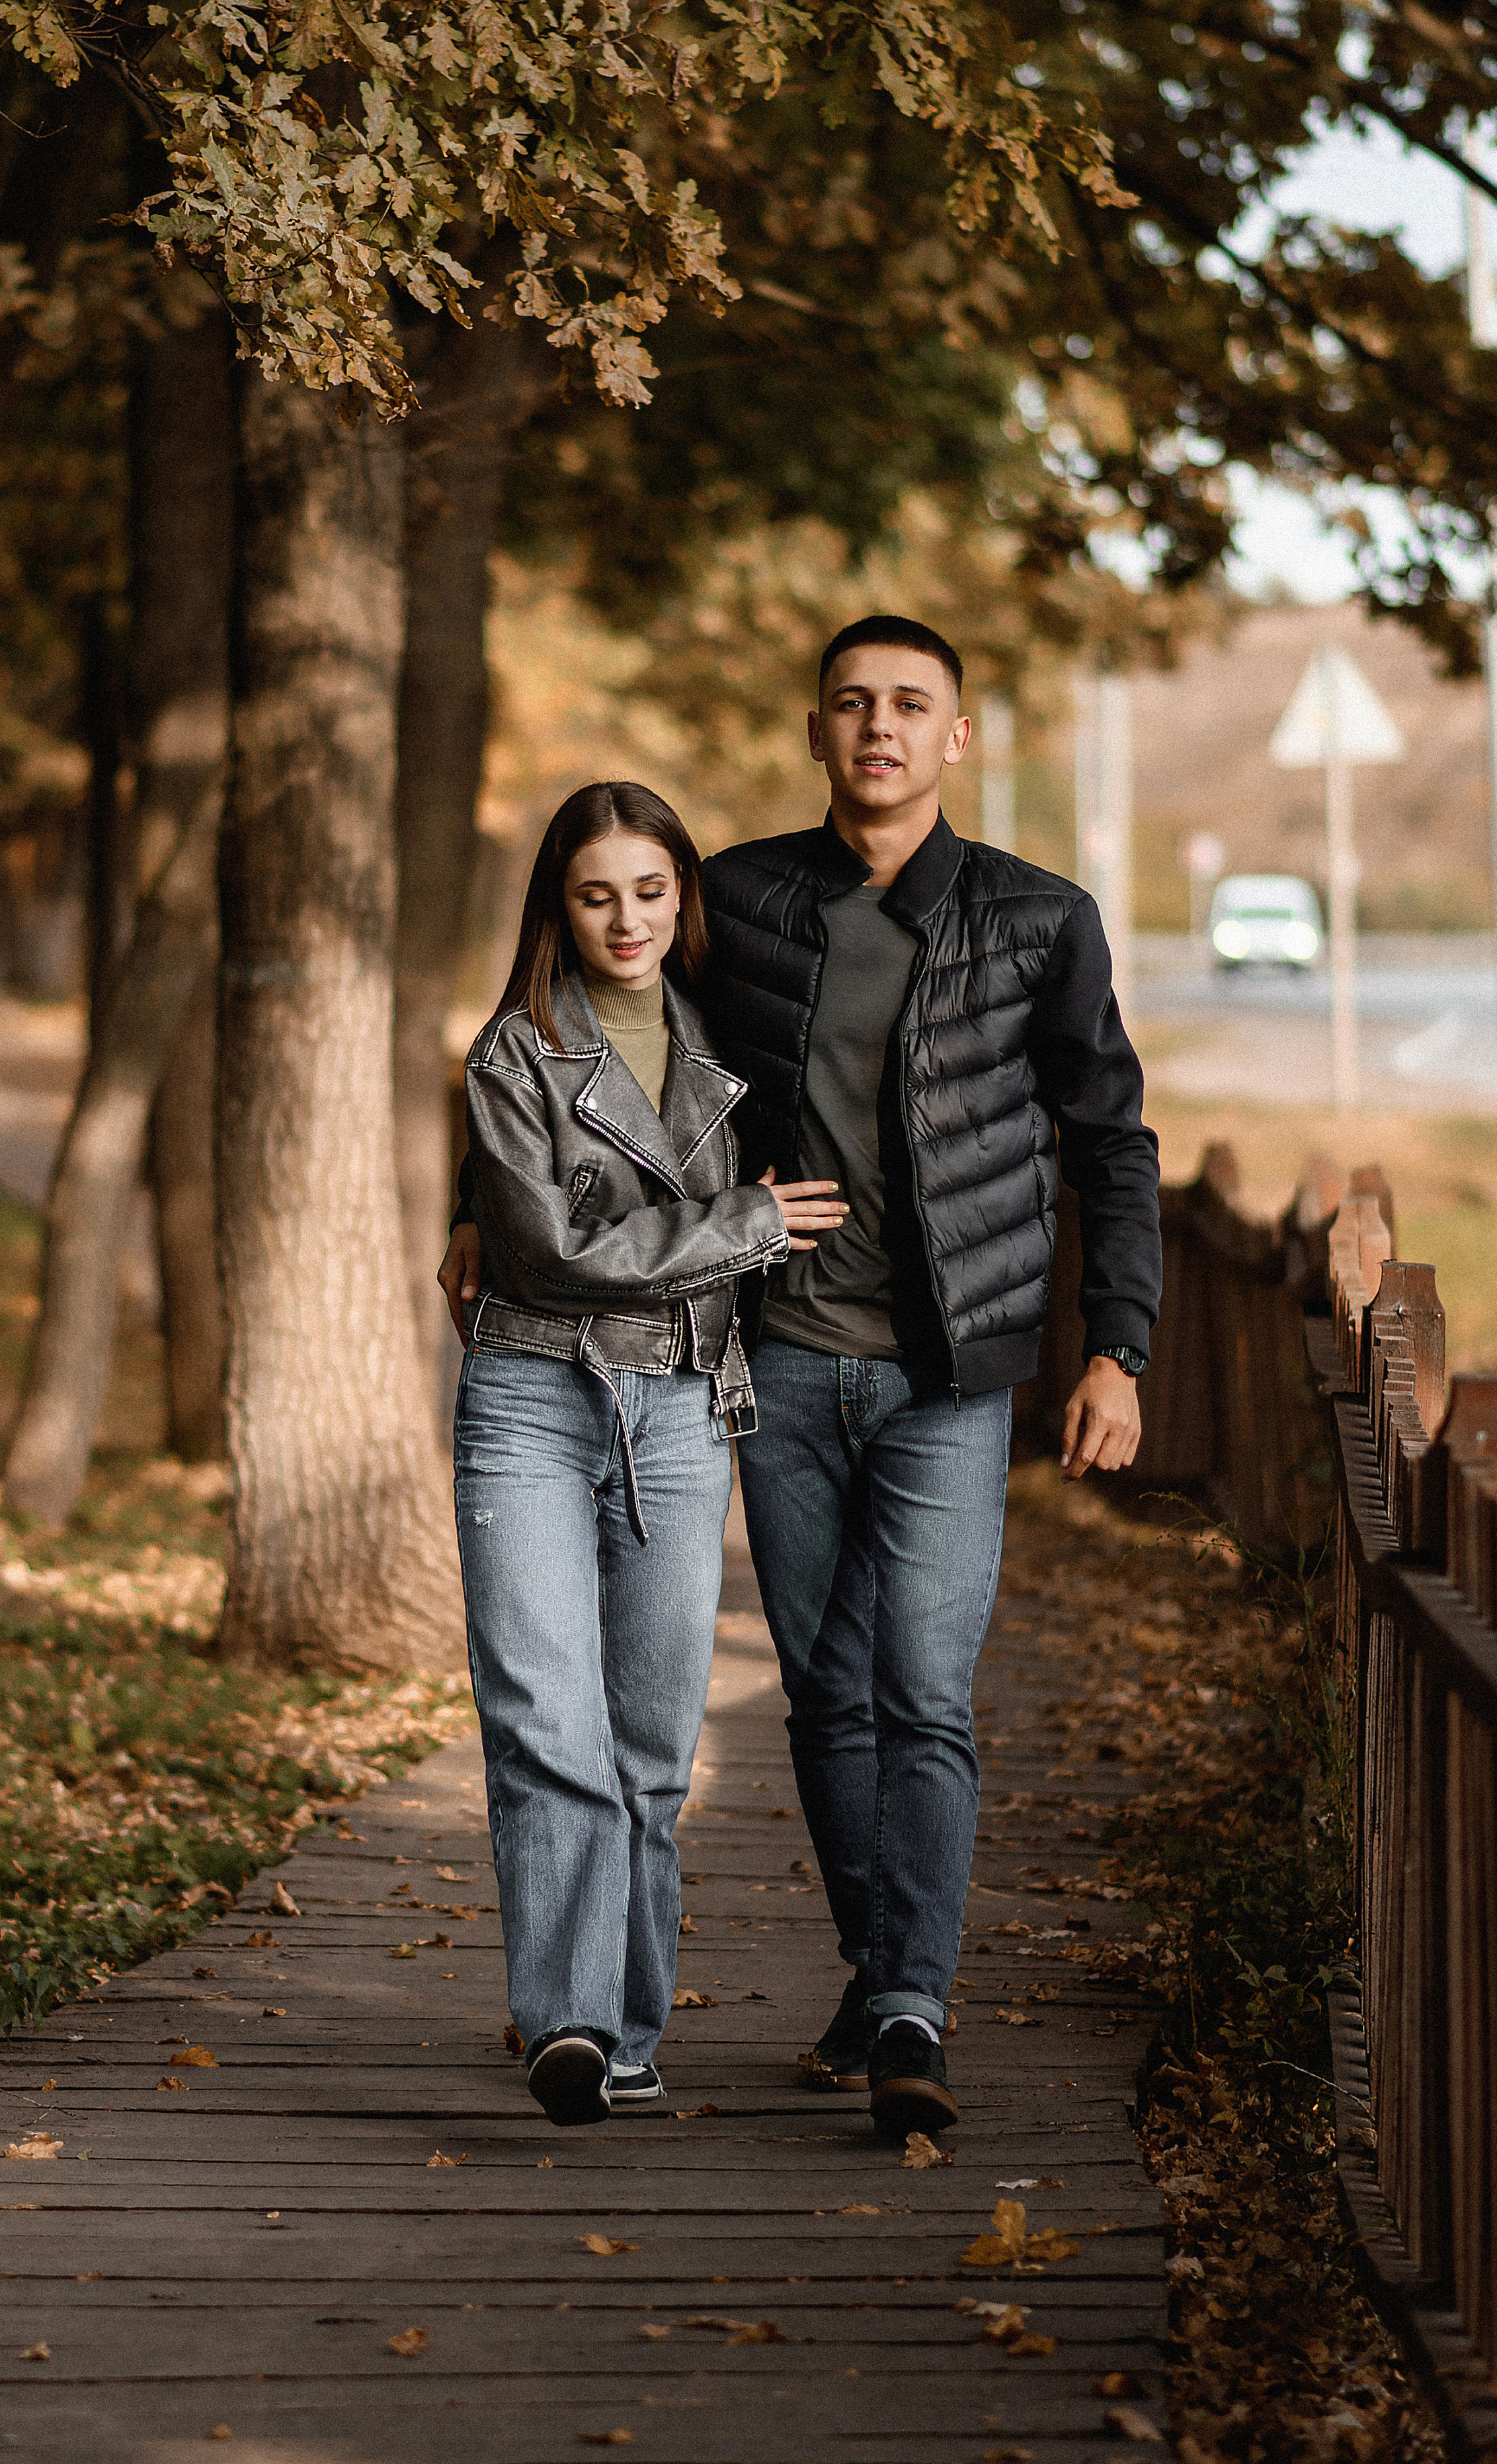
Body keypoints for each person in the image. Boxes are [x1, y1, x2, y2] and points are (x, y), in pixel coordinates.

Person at [443, 623, 1161, 2141]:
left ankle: (910, 1998)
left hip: (949, 1379)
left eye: (910, 706)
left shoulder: (1040, 920)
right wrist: (475, 1197)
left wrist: (1118, 1345)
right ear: (816, 731)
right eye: (852, 705)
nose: (879, 728)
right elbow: (591, 1036)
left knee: (924, 1691)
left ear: (956, 735)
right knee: (824, 1698)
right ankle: (858, 1978)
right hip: (765, 1364)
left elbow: (1109, 1140)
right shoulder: (743, 901)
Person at [452, 779, 846, 2127]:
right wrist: (740, 1227)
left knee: (649, 1742)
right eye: (593, 893)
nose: (624, 918)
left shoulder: (731, 1032)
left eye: (650, 889)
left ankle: (622, 2031)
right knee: (540, 1716)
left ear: (683, 897)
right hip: (531, 1396)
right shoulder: (513, 1052)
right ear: (556, 909)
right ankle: (564, 2019)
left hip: (681, 1405)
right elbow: (546, 1252)